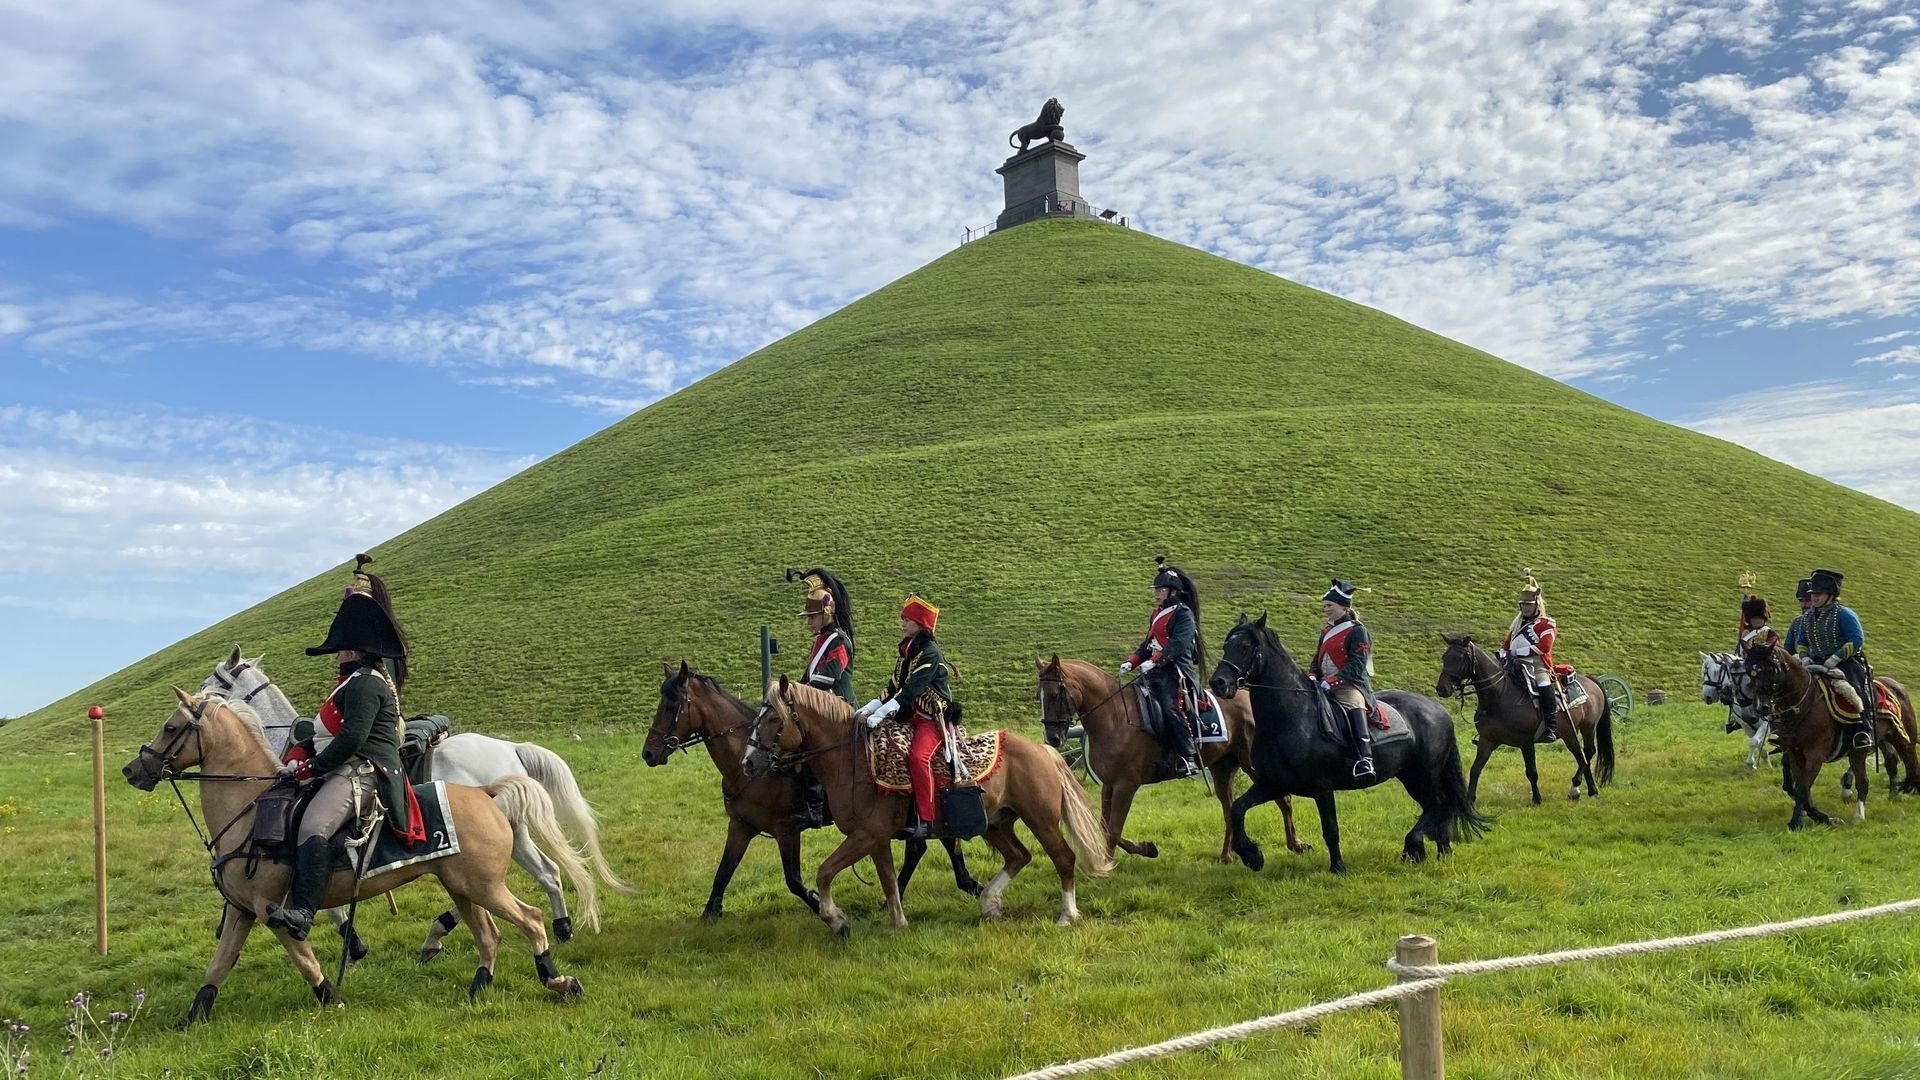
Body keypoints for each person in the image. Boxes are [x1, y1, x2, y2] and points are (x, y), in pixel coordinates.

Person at [268, 554, 424, 941]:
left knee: (314, 825)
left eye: (340, 648)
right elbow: (325, 732)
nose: (336, 653)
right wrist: (302, 754)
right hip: (342, 766)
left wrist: (315, 766)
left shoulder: (367, 684)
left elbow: (353, 739)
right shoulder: (350, 683)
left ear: (353, 650)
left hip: (362, 771)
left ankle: (303, 912)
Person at [856, 596, 949, 839]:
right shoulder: (906, 651)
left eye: (907, 619)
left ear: (920, 624)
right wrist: (867, 710)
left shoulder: (930, 653)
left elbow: (910, 691)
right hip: (908, 718)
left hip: (930, 719)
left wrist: (881, 714)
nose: (902, 623)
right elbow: (892, 688)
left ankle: (927, 821)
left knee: (919, 758)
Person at [1119, 558, 1204, 779]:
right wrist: (1133, 661)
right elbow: (1147, 644)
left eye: (1161, 589)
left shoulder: (1184, 615)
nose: (1157, 593)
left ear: (1172, 592)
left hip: (1175, 672)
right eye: (1156, 589)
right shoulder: (1156, 613)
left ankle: (1188, 756)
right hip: (1154, 670)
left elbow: (1178, 645)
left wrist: (1155, 661)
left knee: (1169, 707)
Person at [791, 569, 854, 829]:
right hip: (818, 709)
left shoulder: (839, 641)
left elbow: (828, 677)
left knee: (811, 751)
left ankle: (816, 810)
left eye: (812, 617)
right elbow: (808, 678)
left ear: (826, 613)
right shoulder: (821, 640)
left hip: (837, 709)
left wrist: (798, 691)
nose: (809, 622)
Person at [1799, 568, 1873, 749]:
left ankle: (1863, 729)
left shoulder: (1844, 614)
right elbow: (1801, 641)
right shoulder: (1807, 617)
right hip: (1814, 663)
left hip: (1846, 663)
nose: (1814, 597)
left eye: (1818, 593)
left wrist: (1836, 657)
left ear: (1831, 595)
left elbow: (1857, 639)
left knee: (1854, 689)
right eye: (1813, 594)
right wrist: (1804, 657)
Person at [1311, 579, 1377, 778]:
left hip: (1349, 685)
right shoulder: (1326, 631)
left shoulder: (1358, 631)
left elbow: (1357, 666)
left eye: (1329, 605)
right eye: (1324, 605)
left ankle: (1365, 759)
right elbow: (1317, 659)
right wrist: (1313, 674)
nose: (1325, 609)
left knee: (1353, 703)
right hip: (1322, 684)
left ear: (1343, 606)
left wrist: (1332, 681)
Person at [1497, 573, 1560, 743]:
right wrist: (1501, 654)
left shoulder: (1547, 624)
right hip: (1514, 666)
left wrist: (1517, 653)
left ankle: (1551, 727)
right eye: (1523, 604)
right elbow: (1506, 646)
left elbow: (1544, 647)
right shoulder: (1516, 624)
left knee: (1544, 684)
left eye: (1529, 604)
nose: (1525, 607)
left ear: (1536, 605)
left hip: (1537, 666)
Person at [1782, 578, 1813, 658]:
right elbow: (1787, 652)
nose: (1804, 605)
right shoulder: (1797, 622)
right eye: (1801, 601)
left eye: (1808, 600)